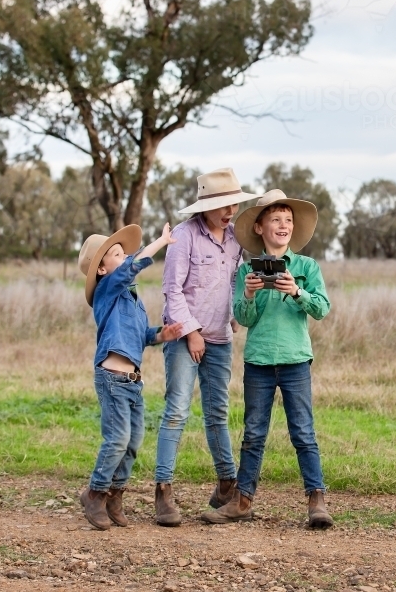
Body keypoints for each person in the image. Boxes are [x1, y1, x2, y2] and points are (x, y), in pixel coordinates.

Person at [200, 189, 334, 529]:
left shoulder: (306, 267)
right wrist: (248, 294)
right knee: (254, 434)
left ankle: (316, 501)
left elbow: (322, 308)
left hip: (295, 360)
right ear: (259, 227)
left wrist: (297, 291)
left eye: (288, 220)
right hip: (258, 361)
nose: (283, 225)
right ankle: (243, 501)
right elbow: (243, 319)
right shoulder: (247, 270)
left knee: (303, 432)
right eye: (275, 219)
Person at [154, 168, 260, 527]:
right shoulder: (184, 237)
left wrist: (233, 314)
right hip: (187, 337)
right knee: (177, 411)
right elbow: (172, 290)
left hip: (220, 338)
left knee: (217, 413)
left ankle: (227, 483)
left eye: (233, 204)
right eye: (222, 205)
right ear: (205, 205)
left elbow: (233, 280)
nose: (229, 211)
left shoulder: (236, 240)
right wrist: (191, 332)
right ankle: (163, 490)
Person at [77, 222, 184, 531]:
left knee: (133, 441)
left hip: (132, 383)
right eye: (116, 254)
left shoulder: (134, 303)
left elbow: (141, 336)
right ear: (101, 270)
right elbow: (132, 268)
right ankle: (94, 493)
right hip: (111, 378)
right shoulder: (107, 290)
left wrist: (162, 334)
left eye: (123, 252)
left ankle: (115, 495)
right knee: (117, 438)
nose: (123, 257)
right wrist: (160, 242)